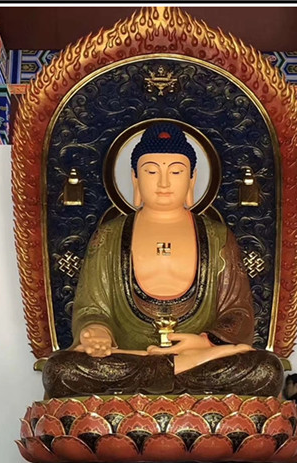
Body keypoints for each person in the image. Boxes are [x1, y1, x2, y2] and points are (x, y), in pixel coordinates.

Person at [42, 122, 284, 397]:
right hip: (130, 358)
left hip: (199, 359)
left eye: (176, 172)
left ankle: (174, 367)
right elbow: (91, 307)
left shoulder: (218, 236)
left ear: (192, 179)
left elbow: (238, 313)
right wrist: (96, 331)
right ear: (135, 179)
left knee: (266, 370)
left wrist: (206, 343)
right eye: (151, 171)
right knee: (61, 370)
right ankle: (174, 368)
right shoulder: (109, 236)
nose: (164, 183)